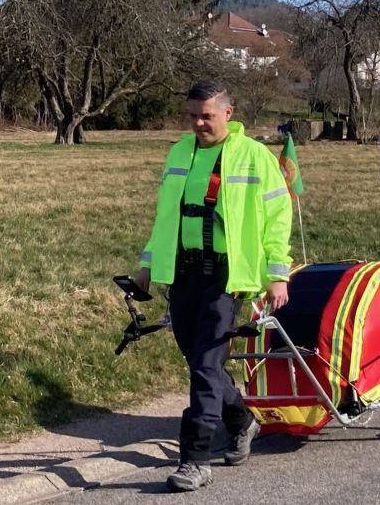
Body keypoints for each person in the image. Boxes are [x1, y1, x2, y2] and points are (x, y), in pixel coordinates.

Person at [133, 80, 293, 492]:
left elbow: (278, 218)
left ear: (229, 113)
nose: (198, 123)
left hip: (227, 276)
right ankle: (241, 421)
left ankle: (196, 459)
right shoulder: (178, 153)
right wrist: (147, 265)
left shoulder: (254, 157)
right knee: (200, 362)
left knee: (206, 365)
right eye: (192, 115)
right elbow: (165, 218)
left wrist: (277, 273)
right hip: (185, 273)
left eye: (206, 115)